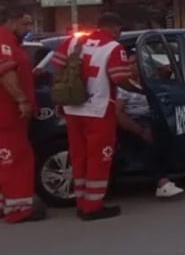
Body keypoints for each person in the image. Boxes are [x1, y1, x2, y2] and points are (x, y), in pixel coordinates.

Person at [50, 12, 134, 221]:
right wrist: (141, 90)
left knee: (79, 157)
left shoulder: (74, 41)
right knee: (99, 158)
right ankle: (93, 206)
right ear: (115, 28)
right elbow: (119, 78)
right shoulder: (113, 48)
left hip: (72, 108)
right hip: (98, 110)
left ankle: (82, 202)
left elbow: (57, 64)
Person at [114, 54, 184, 200]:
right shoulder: (124, 87)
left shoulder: (147, 82)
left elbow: (165, 71)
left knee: (167, 134)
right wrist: (139, 130)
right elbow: (118, 114)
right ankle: (162, 182)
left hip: (151, 118)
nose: (134, 66)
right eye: (130, 63)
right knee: (149, 144)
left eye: (137, 62)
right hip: (134, 121)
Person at [0, 7, 44, 223]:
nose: (28, 30)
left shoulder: (12, 44)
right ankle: (19, 210)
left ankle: (7, 205)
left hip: (9, 115)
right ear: (11, 21)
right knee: (15, 162)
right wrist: (22, 99)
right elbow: (5, 74)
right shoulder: (4, 42)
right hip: (7, 114)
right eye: (25, 24)